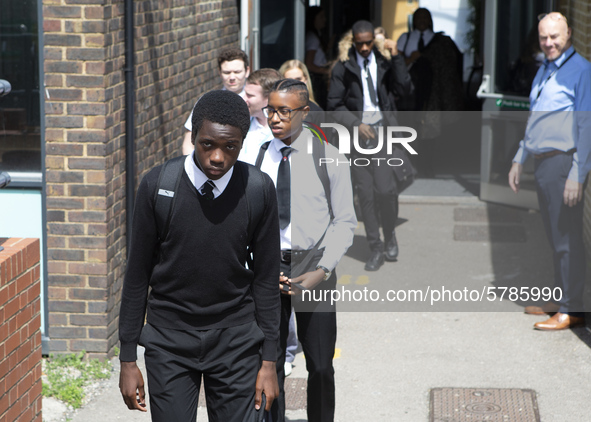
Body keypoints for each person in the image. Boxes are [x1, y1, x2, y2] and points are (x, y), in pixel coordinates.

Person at [119, 90, 280, 421]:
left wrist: (269, 361)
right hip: (169, 342)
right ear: (194, 137)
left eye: (230, 147)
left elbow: (265, 280)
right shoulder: (158, 186)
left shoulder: (258, 189)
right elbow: (137, 276)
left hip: (236, 341)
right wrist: (127, 358)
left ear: (242, 142)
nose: (218, 157)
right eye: (208, 144)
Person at [243, 79, 357, 422]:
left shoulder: (329, 158)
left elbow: (345, 222)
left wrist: (321, 270)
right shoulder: (258, 157)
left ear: (304, 113)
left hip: (315, 265)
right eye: (271, 110)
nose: (275, 118)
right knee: (269, 363)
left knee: (320, 365)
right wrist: (253, 263)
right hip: (268, 266)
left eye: (284, 111)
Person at [508, 12, 591, 330]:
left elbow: (586, 126)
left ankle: (572, 310)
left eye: (555, 37)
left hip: (561, 164)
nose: (549, 43)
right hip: (542, 164)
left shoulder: (581, 71)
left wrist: (577, 174)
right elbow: (535, 119)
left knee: (567, 238)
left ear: (569, 33)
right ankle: (561, 299)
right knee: (555, 238)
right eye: (544, 37)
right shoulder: (544, 69)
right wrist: (519, 158)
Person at [327, 20, 413, 271]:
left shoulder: (385, 60)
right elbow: (334, 104)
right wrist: (356, 124)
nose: (364, 48)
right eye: (360, 43)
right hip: (358, 137)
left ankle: (390, 235)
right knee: (365, 194)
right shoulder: (343, 66)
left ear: (373, 41)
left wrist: (396, 57)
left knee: (385, 190)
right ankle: (375, 247)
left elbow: (405, 88)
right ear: (353, 41)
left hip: (383, 132)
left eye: (368, 43)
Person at [181, 47, 250, 155]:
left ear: (247, 71)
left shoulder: (257, 101)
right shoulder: (208, 101)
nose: (232, 77)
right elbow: (189, 142)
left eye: (237, 72)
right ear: (219, 72)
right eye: (227, 72)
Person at [239, 68, 283, 161]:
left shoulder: (287, 132)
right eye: (245, 93)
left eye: (249, 95)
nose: (243, 98)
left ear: (269, 98)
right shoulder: (239, 123)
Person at [279, 60, 325, 132]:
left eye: (298, 79)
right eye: (289, 80)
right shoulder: (272, 109)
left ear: (305, 80)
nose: (294, 84)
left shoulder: (316, 111)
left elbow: (320, 141)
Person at [305, 6, 332, 109]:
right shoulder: (312, 38)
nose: (324, 20)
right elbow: (309, 64)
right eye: (321, 17)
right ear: (313, 19)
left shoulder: (317, 35)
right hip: (317, 79)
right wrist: (327, 71)